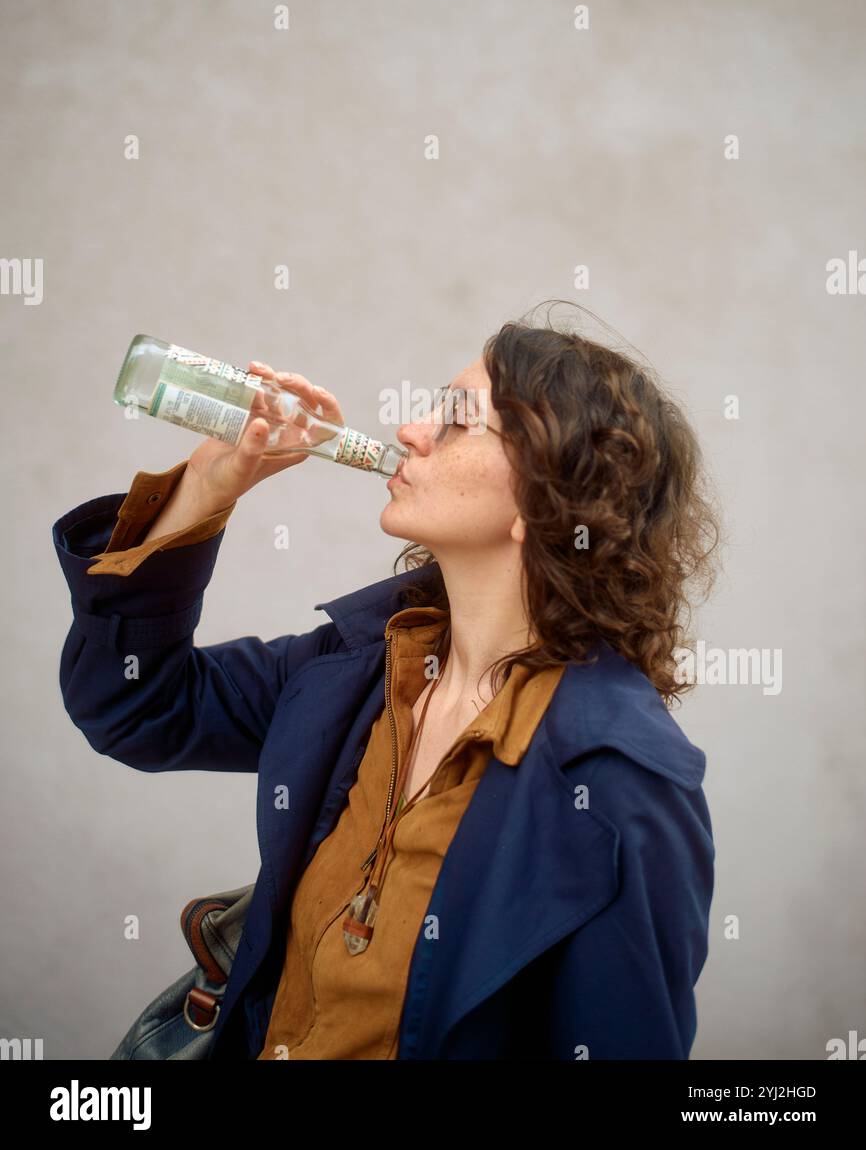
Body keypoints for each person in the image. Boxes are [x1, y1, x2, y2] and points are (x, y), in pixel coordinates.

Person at [51, 308, 720, 1059]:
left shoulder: (623, 786)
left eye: (459, 421)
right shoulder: (361, 668)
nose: (411, 430)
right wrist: (208, 488)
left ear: (548, 498)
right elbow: (137, 706)